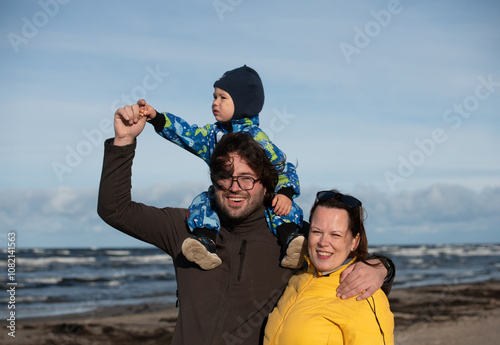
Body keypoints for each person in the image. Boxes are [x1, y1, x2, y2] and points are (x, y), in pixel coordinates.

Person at [98, 102, 394, 344]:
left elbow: (340, 256)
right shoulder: (186, 228)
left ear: (267, 184)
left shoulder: (292, 239)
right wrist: (123, 142)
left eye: (247, 178)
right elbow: (115, 210)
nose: (234, 187)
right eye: (224, 176)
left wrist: (382, 268)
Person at [137, 65, 305, 270]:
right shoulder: (211, 136)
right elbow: (187, 134)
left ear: (243, 101)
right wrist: (157, 118)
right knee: (203, 201)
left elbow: (282, 166)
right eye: (214, 97)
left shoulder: (257, 138)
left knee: (280, 207)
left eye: (222, 97)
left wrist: (286, 192)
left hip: (256, 197)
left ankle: (292, 240)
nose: (215, 103)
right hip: (224, 195)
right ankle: (206, 243)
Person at [264, 190, 395, 345]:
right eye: (317, 232)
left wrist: (384, 266)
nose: (323, 242)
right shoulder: (298, 278)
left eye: (335, 235)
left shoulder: (363, 294)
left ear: (354, 241)